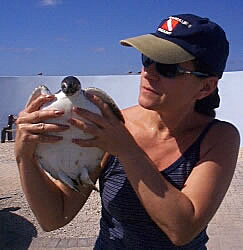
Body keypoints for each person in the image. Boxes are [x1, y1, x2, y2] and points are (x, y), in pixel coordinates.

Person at [15, 13, 240, 249]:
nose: (148, 72)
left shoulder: (218, 138)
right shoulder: (112, 125)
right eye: (147, 59)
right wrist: (25, 157)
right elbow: (55, 216)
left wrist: (127, 151)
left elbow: (182, 229)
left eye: (167, 67)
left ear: (205, 86)